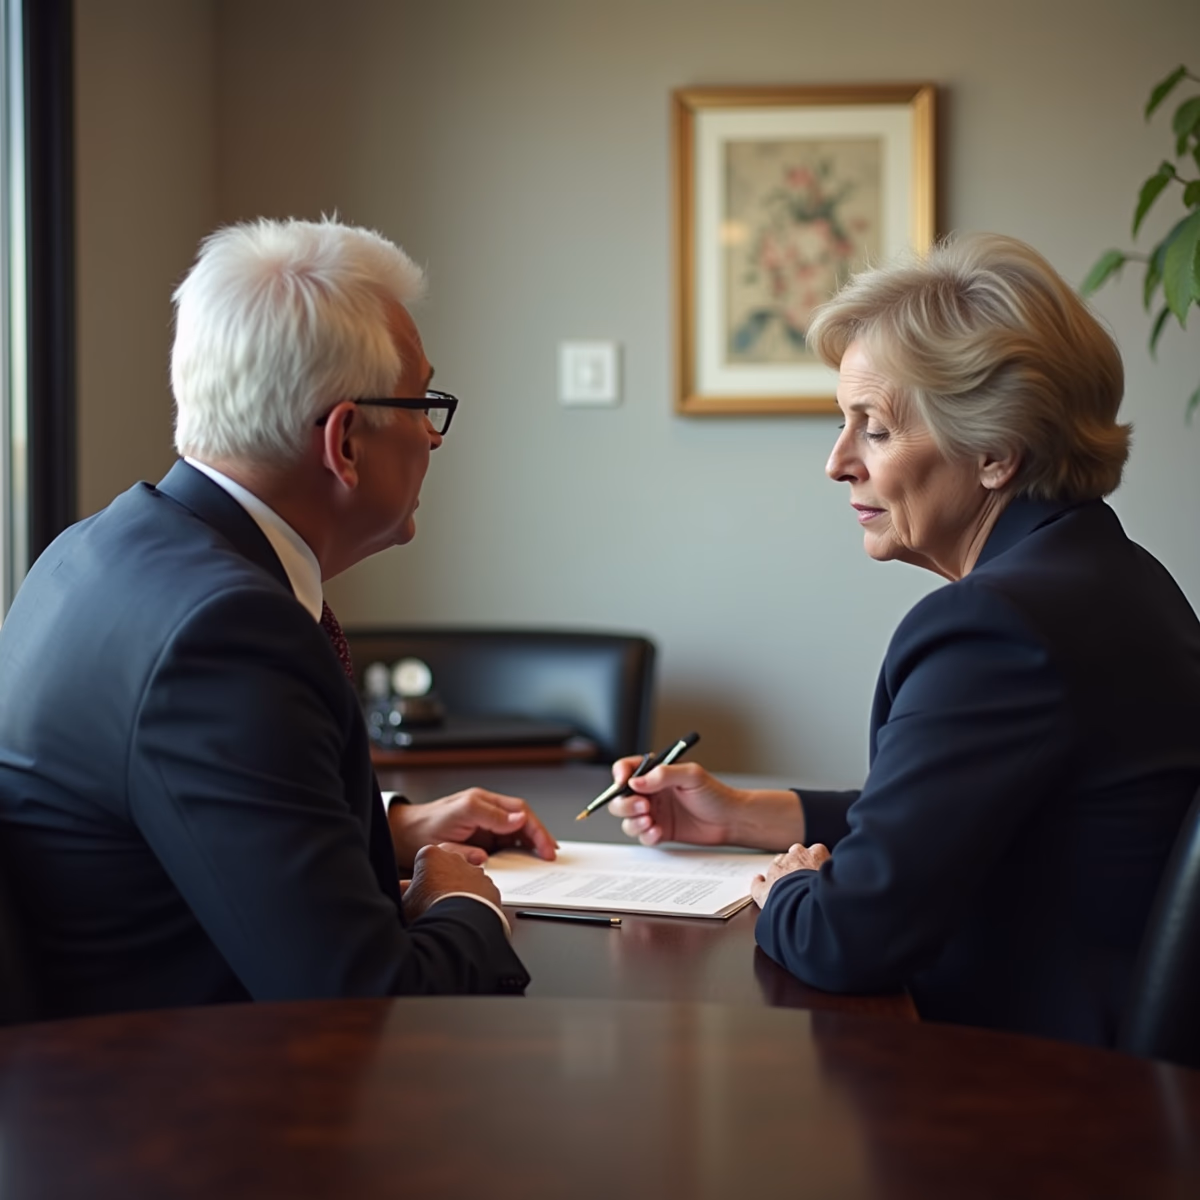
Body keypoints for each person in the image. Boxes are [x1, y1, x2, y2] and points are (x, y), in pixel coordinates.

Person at [609, 232, 1200, 1047]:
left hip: (1033, 1098)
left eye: (874, 429)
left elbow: (846, 939)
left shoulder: (995, 629)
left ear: (994, 452)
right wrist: (747, 816)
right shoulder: (1115, 576)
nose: (837, 462)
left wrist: (789, 890)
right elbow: (951, 818)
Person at [0, 217, 557, 1018]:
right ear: (346, 442)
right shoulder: (226, 636)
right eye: (424, 403)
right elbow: (363, 1005)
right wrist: (462, 902)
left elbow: (161, 832)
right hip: (195, 1114)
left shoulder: (93, 553)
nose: (434, 438)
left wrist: (388, 832)